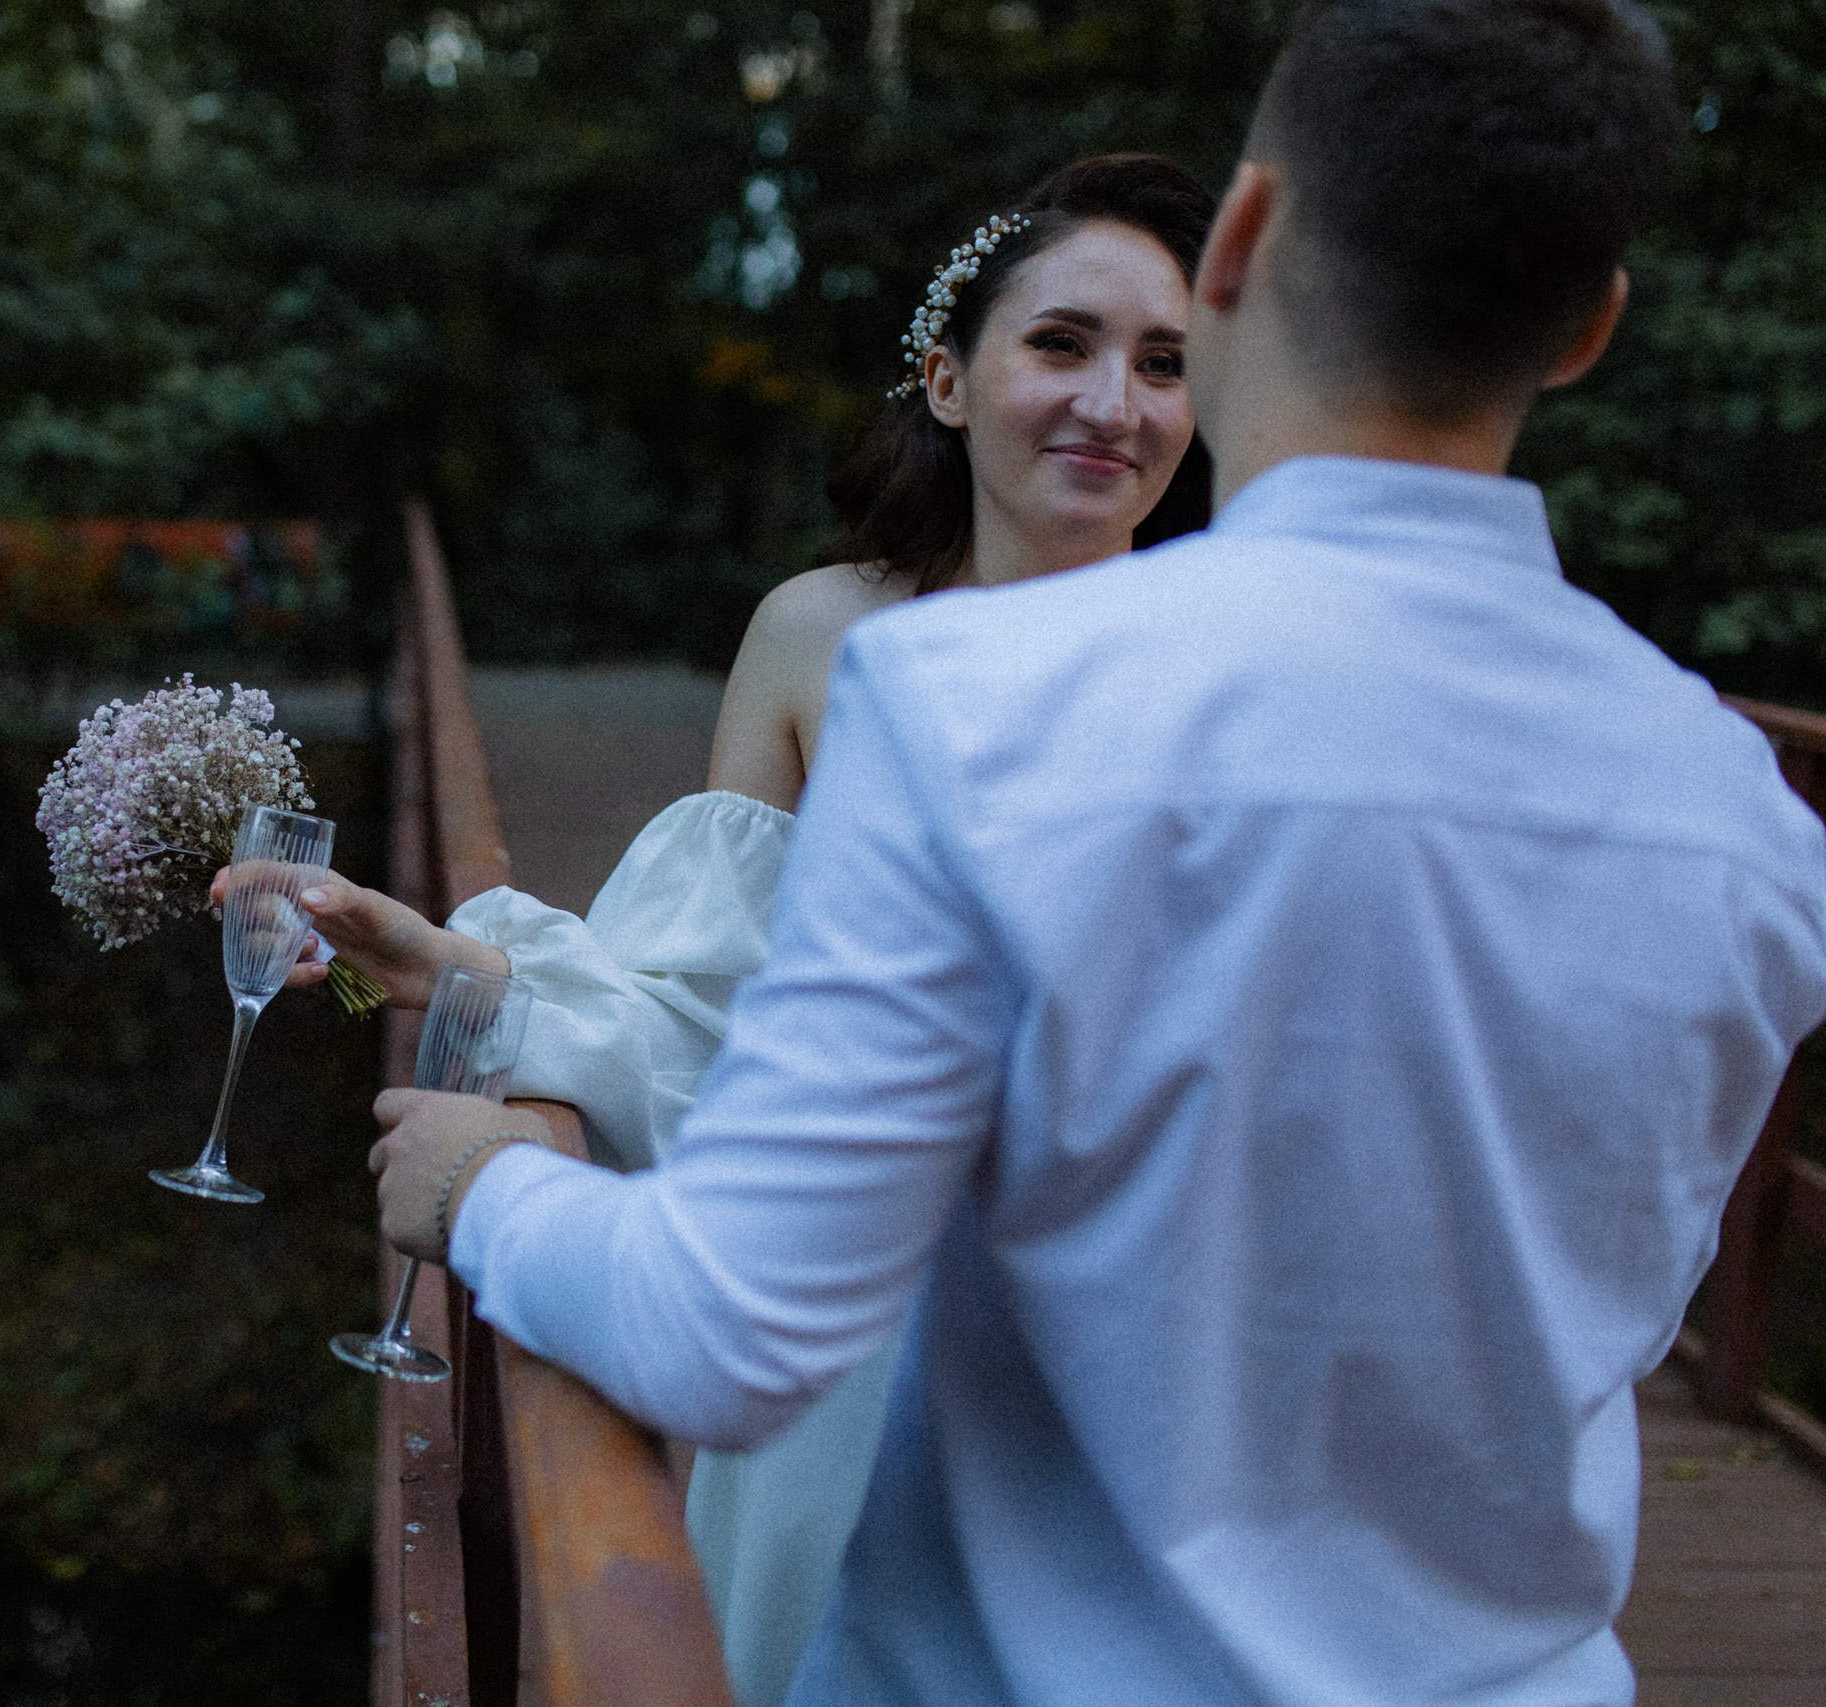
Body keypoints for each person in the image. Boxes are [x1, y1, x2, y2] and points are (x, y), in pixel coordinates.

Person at [367, 4, 1826, 1704]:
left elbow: (732, 1328)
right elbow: (1601, 1314)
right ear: (1590, 329)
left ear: (1244, 240)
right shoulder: (1743, 817)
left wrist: (487, 1191)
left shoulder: (978, 706)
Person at [281, 154, 1211, 1707]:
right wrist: (454, 969)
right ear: (948, 378)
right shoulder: (818, 636)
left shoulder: (1222, 675)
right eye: (1063, 343)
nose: (1116, 402)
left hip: (1117, 1368)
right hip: (842, 1348)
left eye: (1166, 363)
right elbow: (713, 1026)